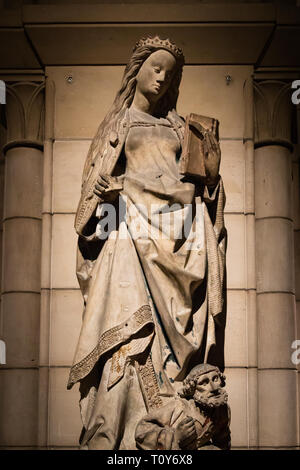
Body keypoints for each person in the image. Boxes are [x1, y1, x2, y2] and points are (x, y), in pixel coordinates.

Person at [67, 36, 226, 450]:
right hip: (127, 234)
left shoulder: (181, 127)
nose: (161, 77)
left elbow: (203, 193)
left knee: (175, 337)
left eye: (169, 73)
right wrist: (101, 192)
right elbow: (89, 212)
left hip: (180, 237)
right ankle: (116, 426)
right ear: (137, 70)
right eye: (155, 67)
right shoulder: (118, 126)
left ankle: (174, 412)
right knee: (127, 333)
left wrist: (211, 177)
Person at [135, 363, 231, 450]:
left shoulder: (222, 410)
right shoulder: (180, 407)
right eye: (204, 383)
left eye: (215, 379)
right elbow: (142, 431)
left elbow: (222, 441)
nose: (213, 388)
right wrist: (176, 436)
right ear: (193, 389)